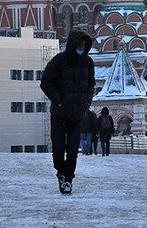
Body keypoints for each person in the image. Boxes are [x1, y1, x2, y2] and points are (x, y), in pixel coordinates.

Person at [40, 29, 95, 195]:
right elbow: (46, 82)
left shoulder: (88, 62)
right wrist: (59, 100)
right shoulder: (60, 60)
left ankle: (68, 180)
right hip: (59, 113)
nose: (81, 48)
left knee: (72, 151)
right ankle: (60, 171)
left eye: (84, 45)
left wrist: (87, 101)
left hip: (77, 114)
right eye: (79, 45)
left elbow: (91, 84)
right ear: (73, 44)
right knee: (58, 149)